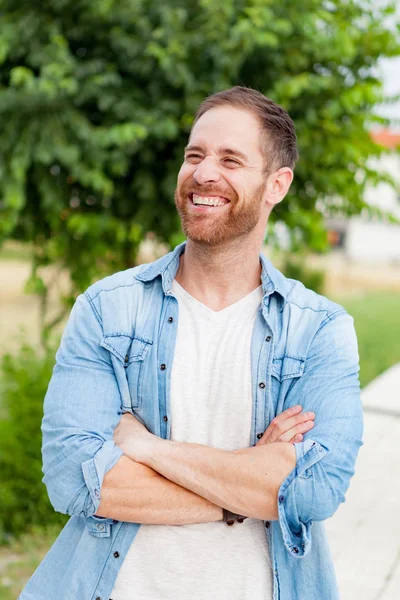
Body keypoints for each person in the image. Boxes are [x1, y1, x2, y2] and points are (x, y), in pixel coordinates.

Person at [20, 86, 363, 600]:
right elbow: (75, 480)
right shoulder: (108, 309)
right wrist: (247, 489)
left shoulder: (317, 329)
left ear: (277, 184)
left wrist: (148, 448)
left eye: (230, 159)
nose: (204, 173)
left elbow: (314, 490)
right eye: (194, 155)